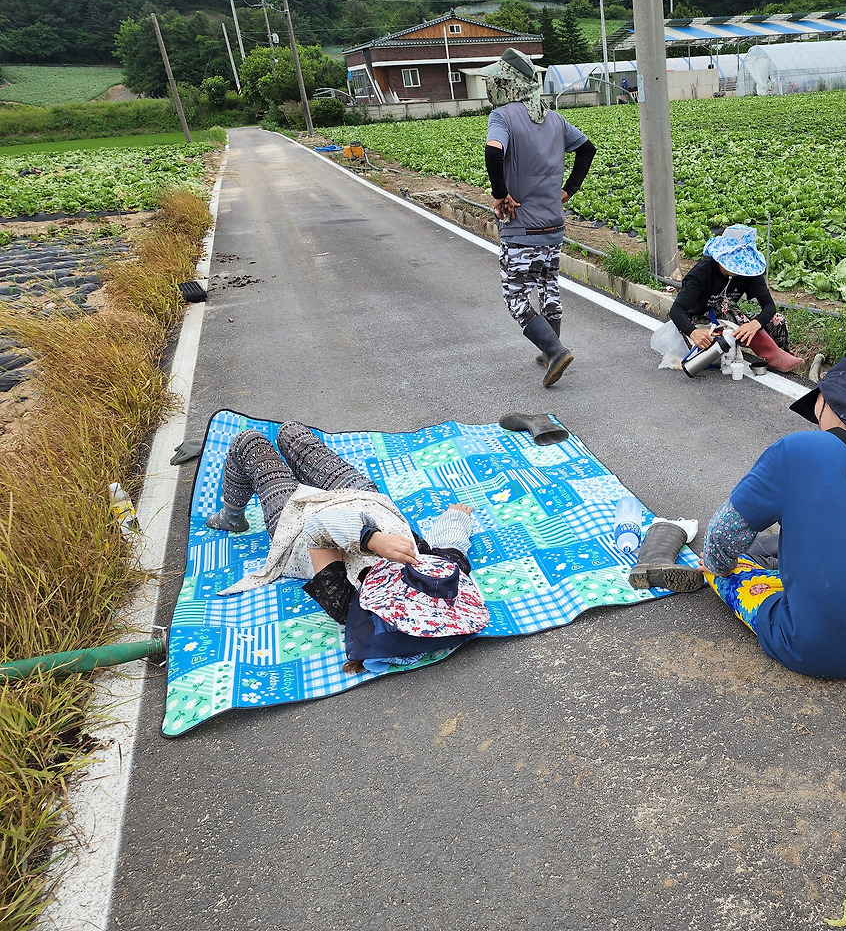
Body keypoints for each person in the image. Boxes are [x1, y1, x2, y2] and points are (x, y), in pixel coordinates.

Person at [699, 355, 846, 678]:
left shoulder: (795, 451)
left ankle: (729, 575)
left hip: (813, 649)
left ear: (826, 401)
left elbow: (722, 534)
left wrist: (715, 565)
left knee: (722, 569)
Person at [205, 422, 483, 669]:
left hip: (297, 522)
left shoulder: (346, 601)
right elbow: (451, 545)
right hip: (365, 500)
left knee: (250, 442)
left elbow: (318, 531)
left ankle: (231, 517)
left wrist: (371, 539)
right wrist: (456, 517)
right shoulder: (446, 579)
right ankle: (299, 479)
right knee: (292, 433)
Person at [481, 48, 597, 388]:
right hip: (554, 225)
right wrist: (569, 190)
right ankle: (550, 351)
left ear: (507, 82)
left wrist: (501, 194)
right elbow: (587, 149)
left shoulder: (502, 116)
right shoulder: (555, 119)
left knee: (515, 294)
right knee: (548, 284)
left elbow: (494, 151)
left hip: (521, 226)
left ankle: (555, 349)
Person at [669, 224, 804, 373]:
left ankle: (779, 358)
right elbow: (676, 310)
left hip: (728, 322)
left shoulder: (748, 272)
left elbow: (769, 306)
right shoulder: (701, 273)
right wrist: (693, 333)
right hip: (701, 325)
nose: (737, 270)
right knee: (723, 303)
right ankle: (772, 352)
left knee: (777, 320)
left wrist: (755, 324)